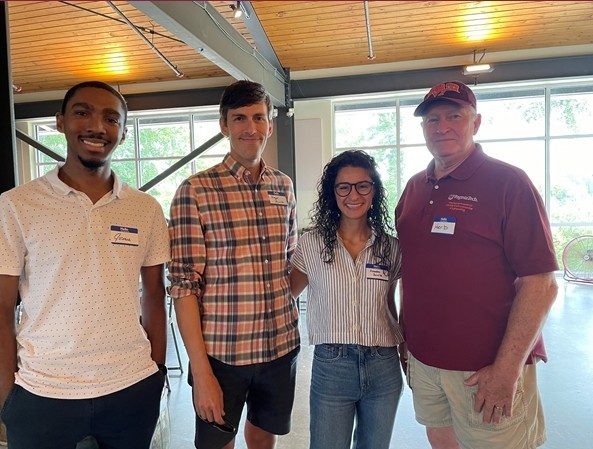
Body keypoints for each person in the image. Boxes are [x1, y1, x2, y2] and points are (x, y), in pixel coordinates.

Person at [0, 81, 170, 449]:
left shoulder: (145, 208)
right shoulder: (17, 205)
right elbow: (1, 307)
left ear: (123, 133)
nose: (97, 126)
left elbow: (155, 296)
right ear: (60, 122)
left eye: (111, 118)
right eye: (82, 113)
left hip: (130, 385)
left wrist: (156, 371)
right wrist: (6, 394)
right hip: (42, 390)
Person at [395, 81, 558, 449]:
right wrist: (407, 339)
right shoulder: (415, 187)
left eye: (455, 116)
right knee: (440, 438)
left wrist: (508, 368)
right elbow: (414, 270)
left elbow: (541, 283)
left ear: (477, 123)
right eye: (432, 119)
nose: (443, 127)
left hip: (485, 367)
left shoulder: (508, 183)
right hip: (425, 360)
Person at [168, 80, 299, 449]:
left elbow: (289, 263)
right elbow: (183, 287)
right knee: (217, 443)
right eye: (239, 118)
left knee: (263, 434)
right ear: (224, 125)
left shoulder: (283, 186)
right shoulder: (195, 190)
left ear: (270, 124)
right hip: (223, 353)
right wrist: (201, 370)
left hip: (280, 346)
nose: (250, 128)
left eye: (259, 117)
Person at [290, 150, 404, 449]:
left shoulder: (390, 248)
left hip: (383, 364)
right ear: (333, 192)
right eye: (344, 186)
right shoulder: (311, 244)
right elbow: (285, 295)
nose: (353, 194)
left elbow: (390, 305)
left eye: (362, 185)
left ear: (374, 190)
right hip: (332, 365)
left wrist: (406, 352)